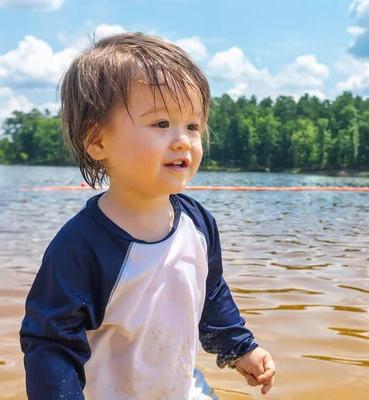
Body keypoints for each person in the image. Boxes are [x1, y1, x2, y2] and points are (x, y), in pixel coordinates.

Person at [19, 32, 276, 400]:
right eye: (161, 124)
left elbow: (211, 294)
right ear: (98, 141)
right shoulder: (80, 246)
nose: (183, 140)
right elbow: (51, 344)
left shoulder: (199, 225)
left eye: (192, 126)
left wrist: (241, 349)